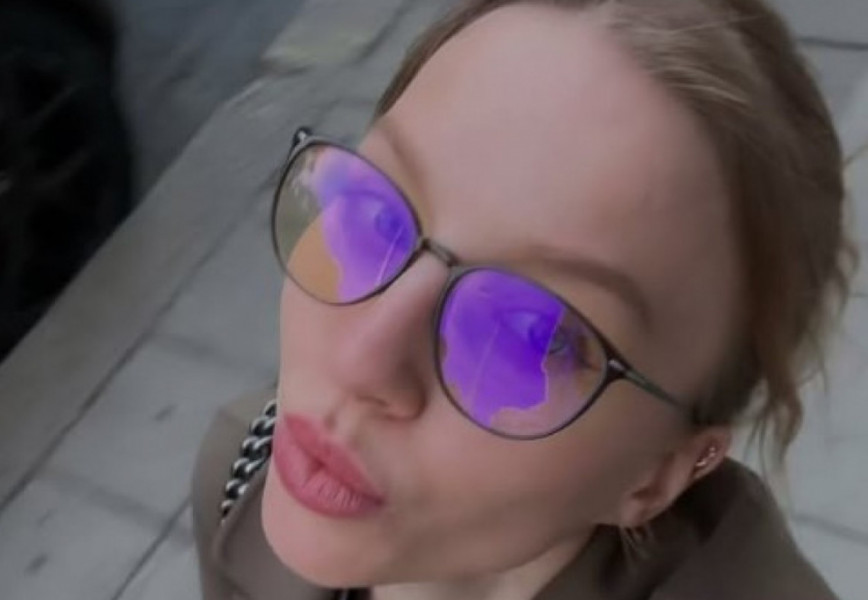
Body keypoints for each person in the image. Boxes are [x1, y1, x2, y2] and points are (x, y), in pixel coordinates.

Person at [191, 0, 856, 598]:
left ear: (657, 475)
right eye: (373, 216)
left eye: (528, 336)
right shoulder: (245, 466)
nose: (361, 361)